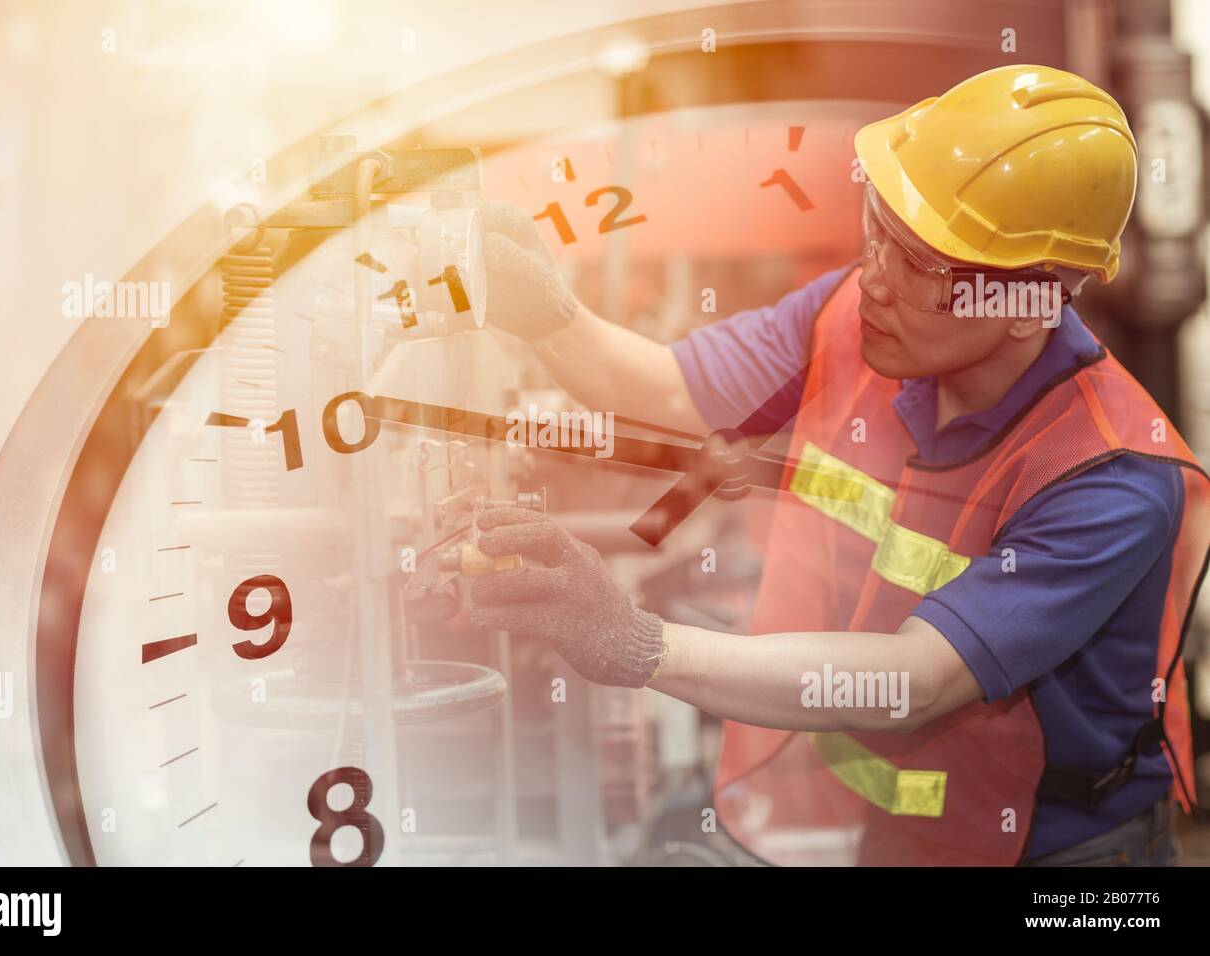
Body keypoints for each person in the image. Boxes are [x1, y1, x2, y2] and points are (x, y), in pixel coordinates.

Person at [466, 64, 1210, 866]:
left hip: (1064, 854)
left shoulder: (1112, 475)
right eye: (877, 230)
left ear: (1028, 300)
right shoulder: (847, 318)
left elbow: (913, 679)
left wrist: (635, 641)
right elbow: (675, 391)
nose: (876, 281)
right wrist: (547, 314)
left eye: (921, 265)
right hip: (901, 827)